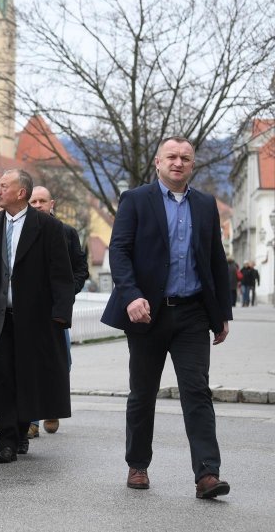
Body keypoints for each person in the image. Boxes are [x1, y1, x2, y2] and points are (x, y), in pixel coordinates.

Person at [101, 136, 232, 499]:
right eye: (172, 156)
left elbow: (215, 259)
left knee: (197, 391)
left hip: (192, 313)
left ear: (192, 165)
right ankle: (138, 464)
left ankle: (207, 473)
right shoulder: (136, 200)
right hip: (147, 314)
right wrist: (131, 296)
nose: (178, 162)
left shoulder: (206, 205)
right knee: (143, 392)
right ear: (158, 162)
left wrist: (221, 313)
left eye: (185, 158)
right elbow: (120, 251)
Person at [0, 170, 74, 463]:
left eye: (3, 186)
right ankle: (7, 441)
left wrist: (61, 316)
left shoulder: (48, 227)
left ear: (20, 192)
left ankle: (21, 431)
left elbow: (62, 275)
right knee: (1, 378)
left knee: (28, 378)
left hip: (35, 319)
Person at [27, 185, 89, 437]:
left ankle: (52, 406)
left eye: (42, 201)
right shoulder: (21, 231)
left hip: (56, 309)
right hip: (29, 309)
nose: (38, 205)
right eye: (33, 201)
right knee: (29, 363)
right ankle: (31, 420)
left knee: (61, 360)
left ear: (52, 204)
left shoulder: (67, 232)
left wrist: (67, 293)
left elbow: (80, 268)